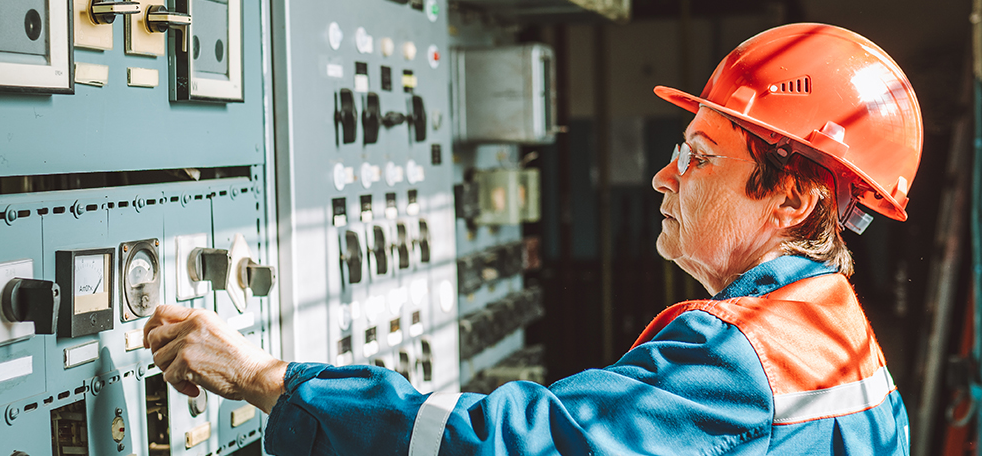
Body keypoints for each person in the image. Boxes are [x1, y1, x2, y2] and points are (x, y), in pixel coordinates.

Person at [143, 23, 921, 455]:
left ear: (790, 195)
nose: (663, 176)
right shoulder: (851, 346)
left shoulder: (743, 358)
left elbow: (503, 446)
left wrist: (260, 376)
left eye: (698, 155)